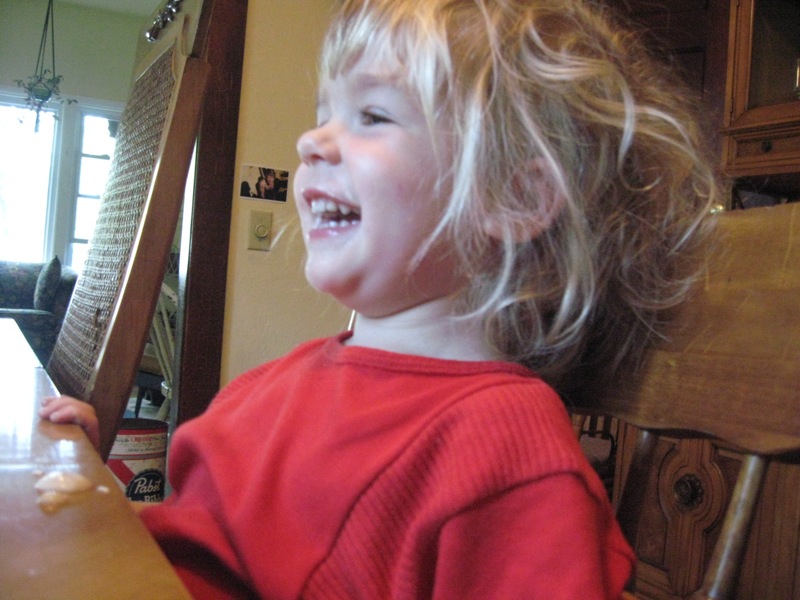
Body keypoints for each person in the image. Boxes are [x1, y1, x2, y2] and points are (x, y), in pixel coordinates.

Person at [39, 0, 722, 598]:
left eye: (371, 115)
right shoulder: (277, 384)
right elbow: (197, 546)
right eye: (322, 115)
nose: (311, 141)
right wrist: (99, 503)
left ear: (513, 197)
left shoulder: (504, 455)